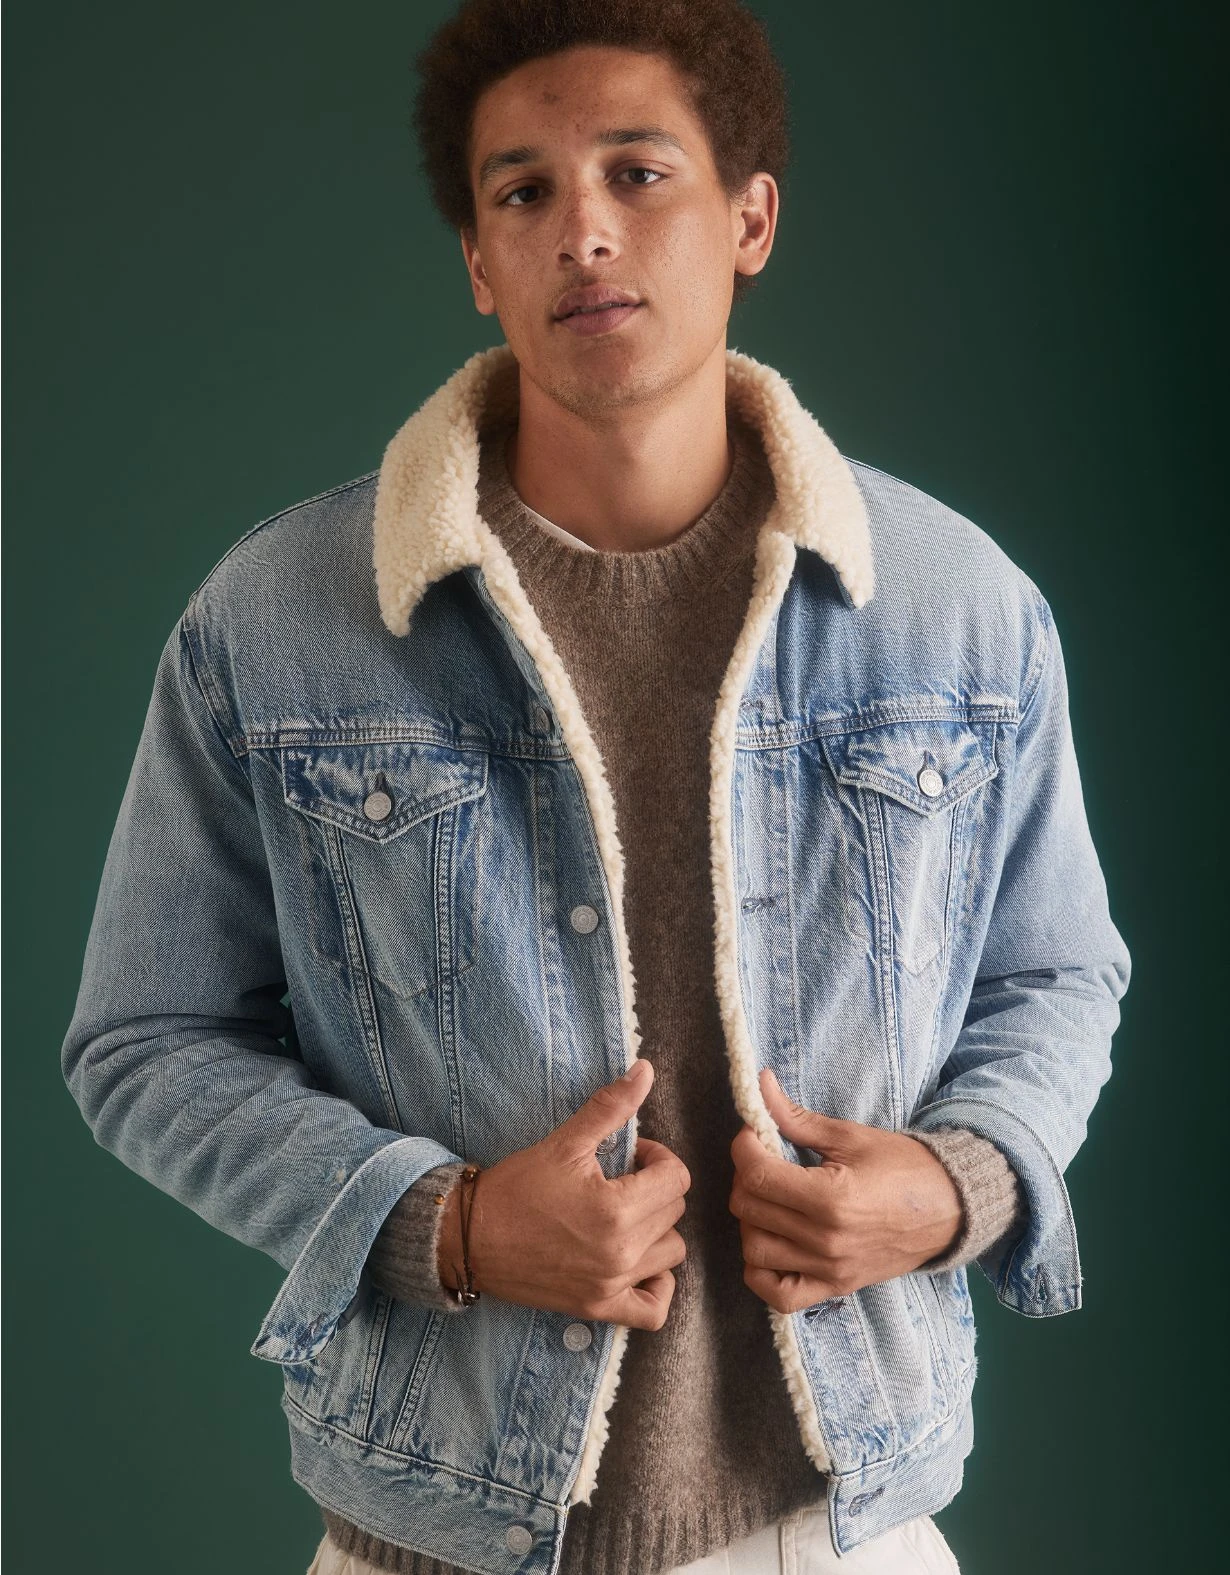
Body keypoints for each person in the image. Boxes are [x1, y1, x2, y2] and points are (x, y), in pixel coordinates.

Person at [60, 1, 1131, 1572]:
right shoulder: (278, 621)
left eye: (637, 174)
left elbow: (1055, 974)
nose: (583, 232)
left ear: (749, 218)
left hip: (842, 1528)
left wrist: (955, 1182)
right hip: (428, 1525)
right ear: (477, 261)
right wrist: (447, 1223)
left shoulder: (955, 605)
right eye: (524, 192)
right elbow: (144, 1037)